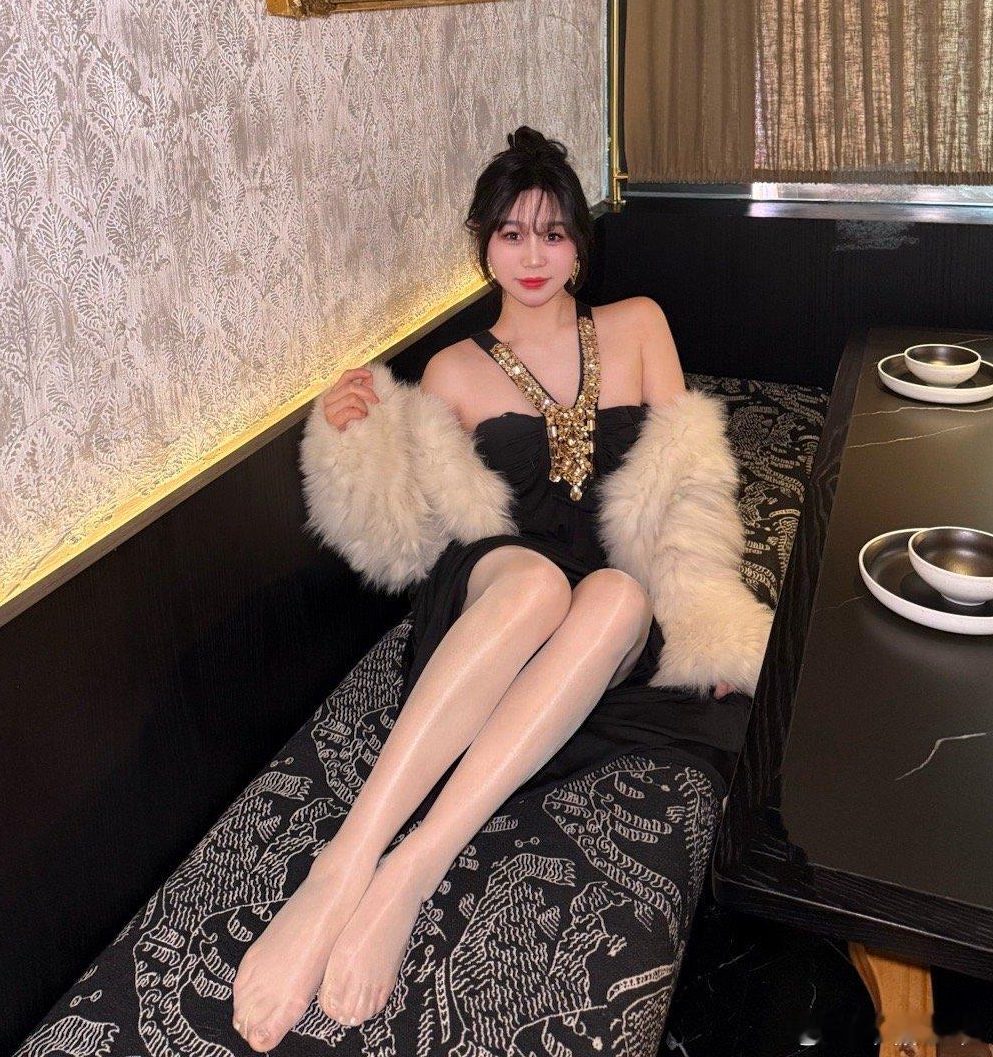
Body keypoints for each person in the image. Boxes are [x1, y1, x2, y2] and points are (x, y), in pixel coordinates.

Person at [232, 127, 764, 1050]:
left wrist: (704, 617)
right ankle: (343, 864)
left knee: (618, 598)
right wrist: (353, 439)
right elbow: (403, 538)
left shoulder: (639, 324)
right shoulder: (452, 369)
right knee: (533, 587)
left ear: (580, 246)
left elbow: (689, 490)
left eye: (553, 233)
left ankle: (409, 873)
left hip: (607, 600)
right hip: (496, 588)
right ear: (483, 244)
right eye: (512, 234)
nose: (533, 255)